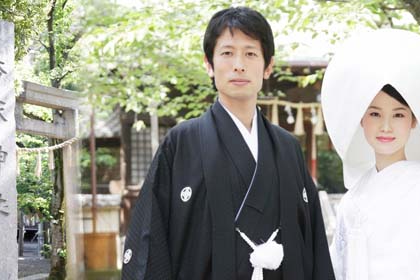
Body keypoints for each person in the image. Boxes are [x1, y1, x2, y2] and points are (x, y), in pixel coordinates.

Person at [121, 7, 334, 280]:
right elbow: (151, 238)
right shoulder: (181, 142)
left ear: (268, 66)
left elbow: (312, 238)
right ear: (208, 64)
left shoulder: (287, 148)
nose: (239, 64)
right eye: (227, 53)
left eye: (250, 53)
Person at [321, 29, 420, 280]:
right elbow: (337, 269)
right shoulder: (352, 200)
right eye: (375, 114)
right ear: (361, 119)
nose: (386, 126)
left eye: (399, 115)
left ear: (414, 121)